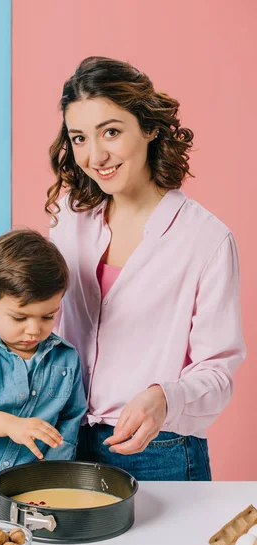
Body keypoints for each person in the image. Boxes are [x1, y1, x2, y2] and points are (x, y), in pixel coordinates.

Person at [46, 56, 246, 481]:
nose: (95, 155)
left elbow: (217, 370)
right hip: (63, 440)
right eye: (79, 138)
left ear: (150, 128)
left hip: (160, 449)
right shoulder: (69, 217)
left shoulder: (206, 239)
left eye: (111, 132)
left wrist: (164, 398)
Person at [0, 229, 87, 487]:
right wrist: (12, 425)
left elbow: (70, 421)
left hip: (30, 486)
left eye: (47, 316)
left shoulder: (66, 358)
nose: (34, 330)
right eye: (19, 318)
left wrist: (54, 475)